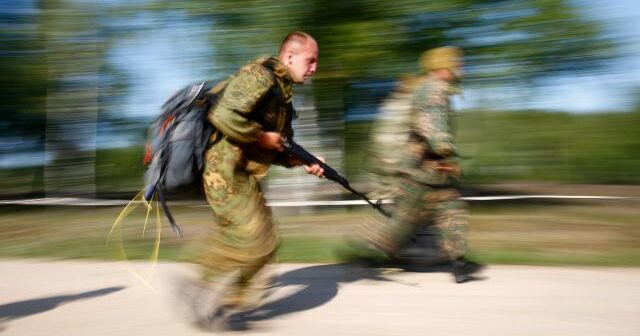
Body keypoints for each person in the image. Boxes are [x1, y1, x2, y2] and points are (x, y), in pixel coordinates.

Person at [185, 31, 324, 329]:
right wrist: (262, 137)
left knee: (268, 243)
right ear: (289, 56)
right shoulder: (261, 76)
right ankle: (201, 286)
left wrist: (305, 161)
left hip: (243, 172)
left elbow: (279, 150)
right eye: (310, 60)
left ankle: (229, 305)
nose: (314, 68)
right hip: (222, 168)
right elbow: (223, 116)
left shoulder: (283, 98)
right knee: (251, 238)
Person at [359, 46, 483, 283]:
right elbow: (432, 124)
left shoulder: (434, 88)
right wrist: (445, 149)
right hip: (418, 171)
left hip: (434, 171)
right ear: (443, 66)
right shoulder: (433, 89)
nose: (461, 67)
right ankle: (370, 258)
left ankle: (460, 265)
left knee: (452, 210)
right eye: (457, 62)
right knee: (403, 223)